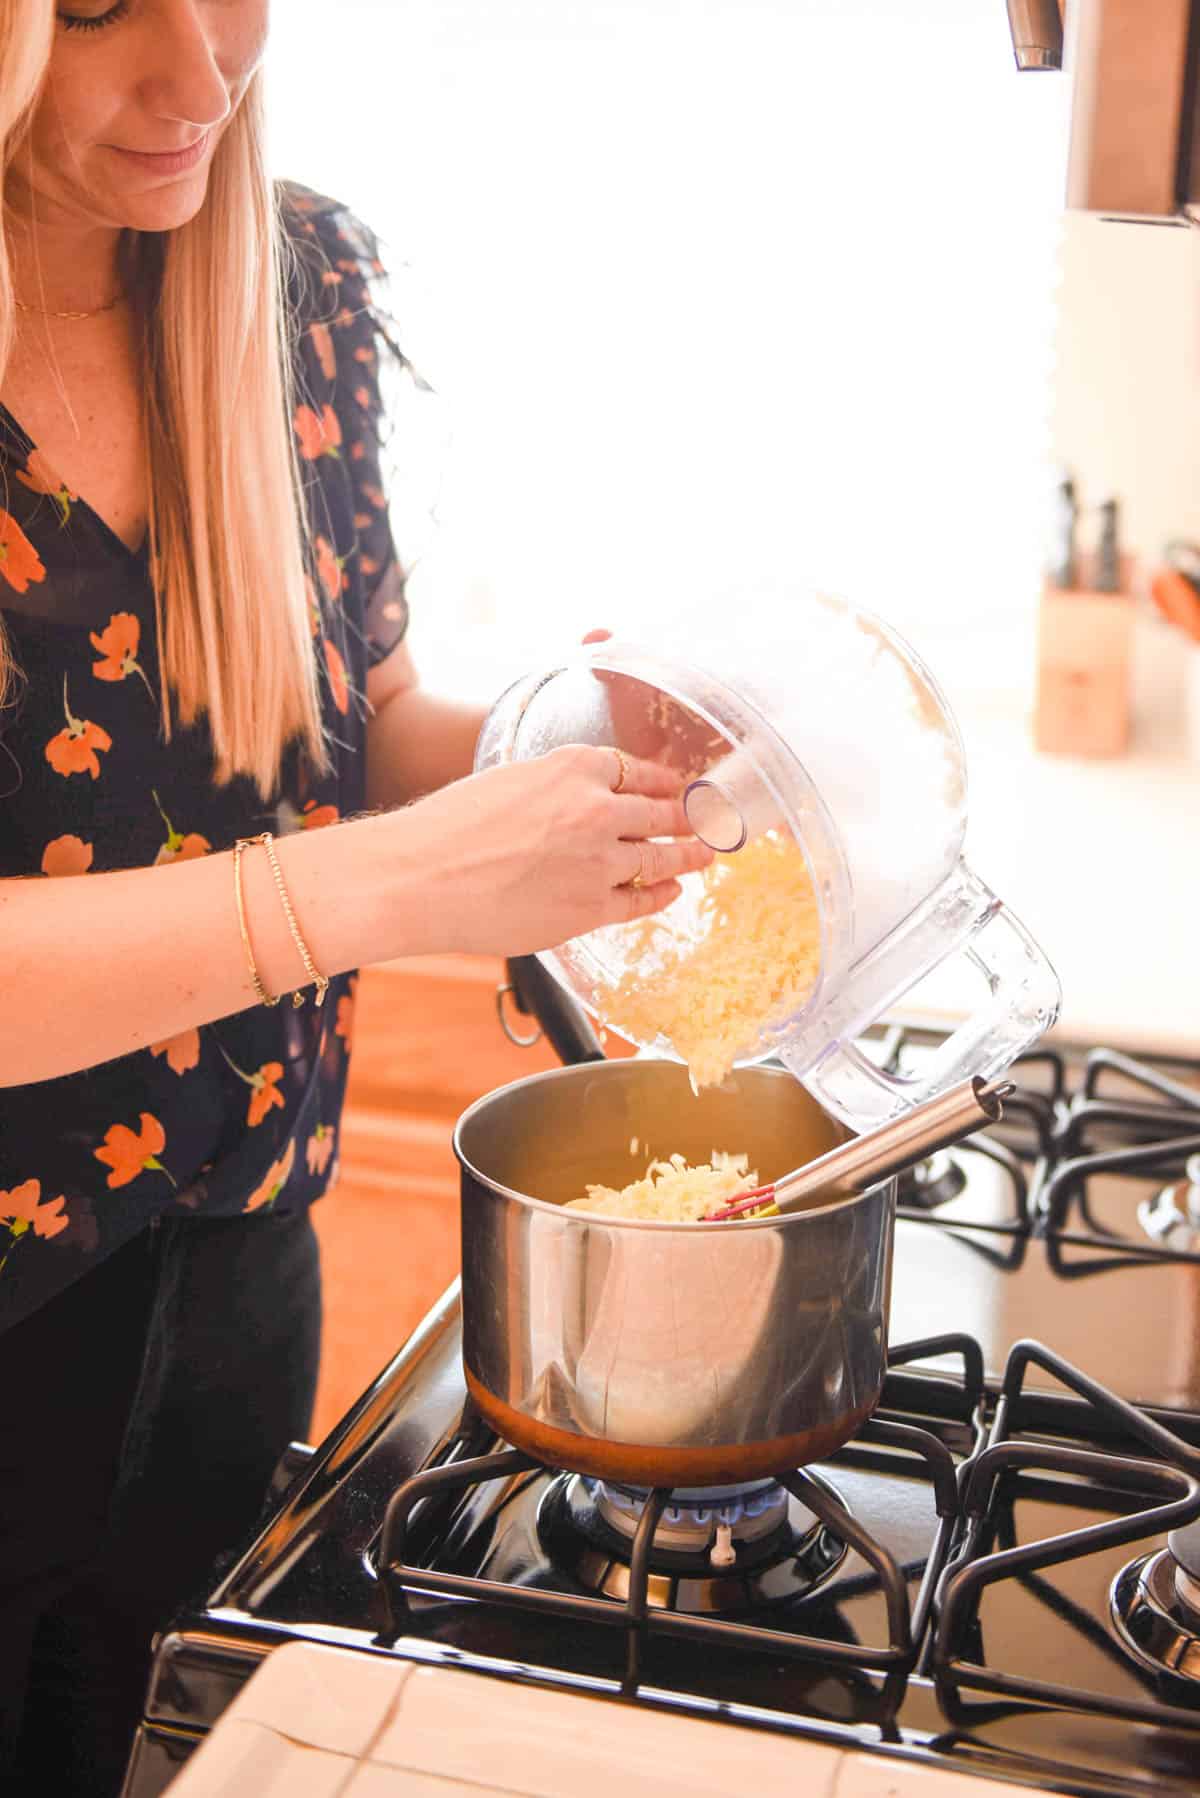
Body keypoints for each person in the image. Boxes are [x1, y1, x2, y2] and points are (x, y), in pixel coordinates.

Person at [0, 2, 713, 1790]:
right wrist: (384, 888)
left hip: (239, 1278)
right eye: (91, 12)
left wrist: (567, 733)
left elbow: (357, 723)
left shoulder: (282, 271)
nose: (199, 76)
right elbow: (353, 859)